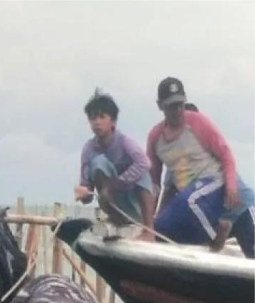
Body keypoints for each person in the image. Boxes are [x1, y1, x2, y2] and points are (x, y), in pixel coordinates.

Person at [149, 77, 255, 257]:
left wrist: (230, 187)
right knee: (171, 224)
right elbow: (159, 187)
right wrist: (151, 222)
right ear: (161, 106)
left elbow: (226, 155)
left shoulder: (200, 130)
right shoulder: (163, 147)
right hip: (207, 213)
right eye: (171, 106)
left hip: (238, 206)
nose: (177, 111)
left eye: (179, 105)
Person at [74, 89, 156, 241]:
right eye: (92, 118)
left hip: (134, 201)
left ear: (113, 121)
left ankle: (148, 229)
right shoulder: (88, 150)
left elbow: (145, 163)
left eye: (102, 117)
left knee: (142, 171)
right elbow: (87, 194)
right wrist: (83, 193)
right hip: (111, 200)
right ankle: (116, 218)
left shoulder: (124, 142)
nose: (97, 122)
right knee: (98, 163)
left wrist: (116, 184)